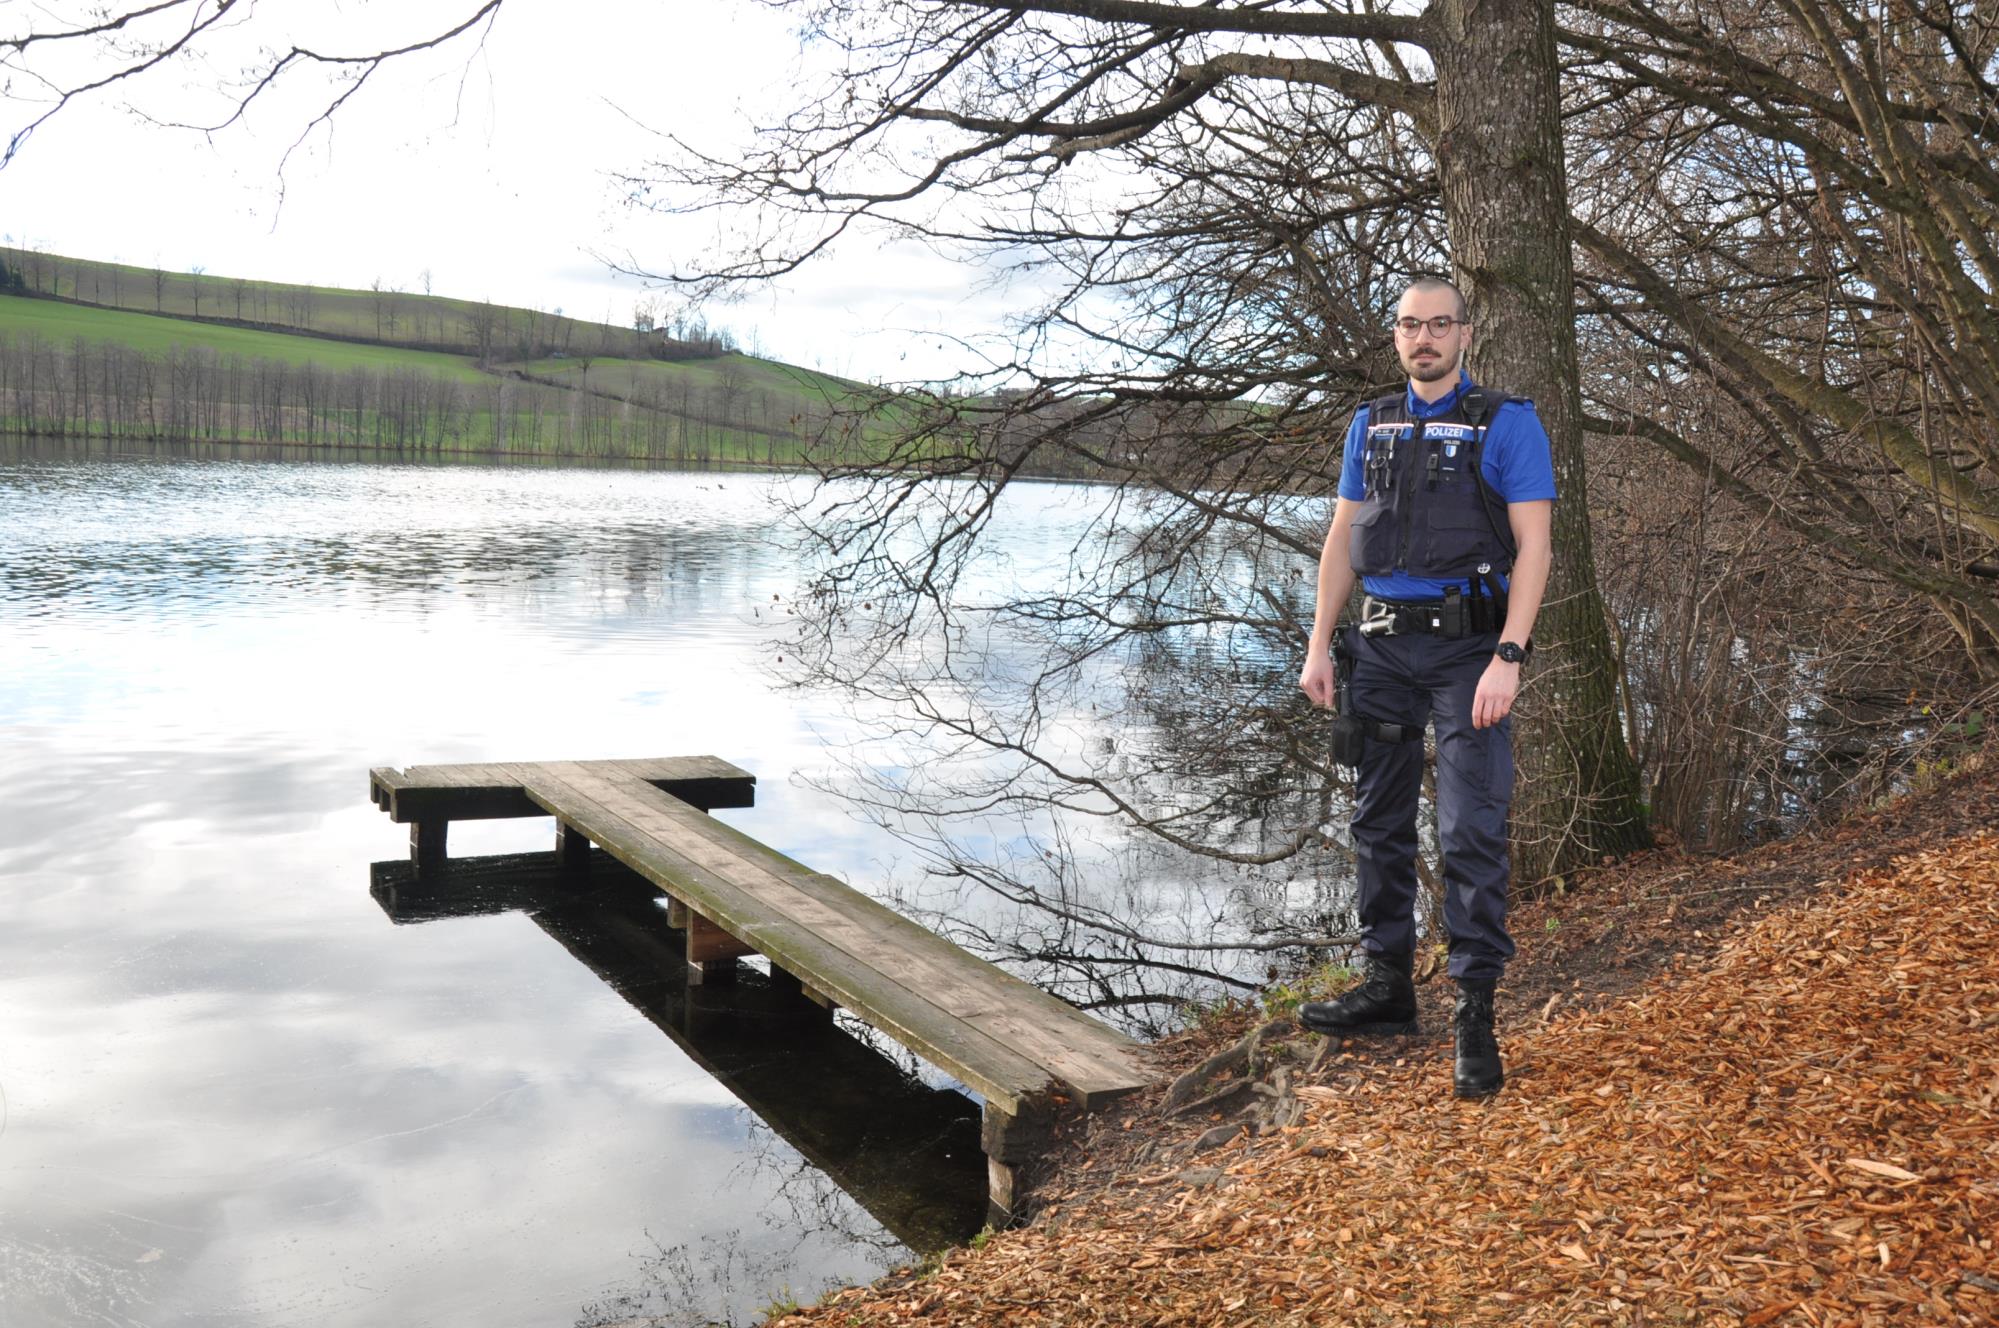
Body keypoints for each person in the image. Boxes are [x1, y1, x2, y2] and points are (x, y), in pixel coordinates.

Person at [1295, 276, 1556, 1100]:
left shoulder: (1506, 423)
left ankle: (1474, 1010)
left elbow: (1536, 546)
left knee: (1469, 827)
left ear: (1465, 335)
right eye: (1410, 325)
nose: (1423, 338)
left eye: (1438, 324)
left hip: (1467, 653)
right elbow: (1341, 537)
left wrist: (1508, 657)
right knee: (1377, 823)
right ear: (1396, 336)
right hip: (1377, 652)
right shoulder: (1368, 423)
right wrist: (1317, 646)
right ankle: (1387, 987)